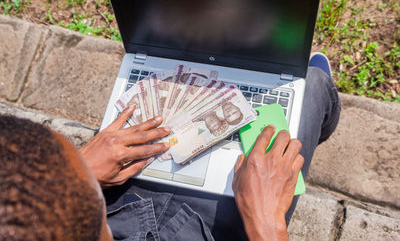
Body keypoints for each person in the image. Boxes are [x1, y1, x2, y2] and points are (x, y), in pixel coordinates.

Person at [0, 52, 340, 240]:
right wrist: (266, 222)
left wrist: (81, 171)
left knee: (167, 65)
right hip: (219, 232)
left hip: (122, 212)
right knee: (311, 87)